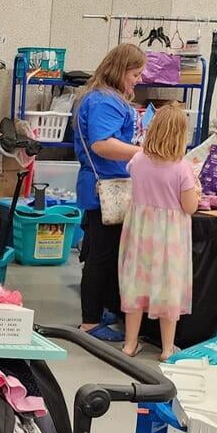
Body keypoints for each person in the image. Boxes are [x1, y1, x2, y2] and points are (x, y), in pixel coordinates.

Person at [74, 43, 146, 340]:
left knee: (101, 252)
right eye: (136, 74)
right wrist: (145, 152)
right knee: (102, 256)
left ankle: (99, 311)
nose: (139, 80)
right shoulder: (106, 101)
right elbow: (102, 144)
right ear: (121, 71)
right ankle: (90, 321)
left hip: (101, 187)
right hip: (105, 188)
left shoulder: (99, 97)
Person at [118, 103, 200, 358]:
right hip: (170, 238)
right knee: (168, 289)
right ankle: (166, 348)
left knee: (135, 285)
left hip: (139, 232)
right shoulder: (182, 168)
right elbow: (189, 207)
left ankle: (130, 343)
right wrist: (196, 192)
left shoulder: (138, 159)